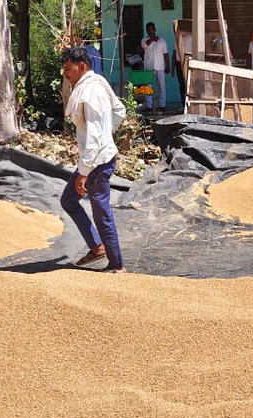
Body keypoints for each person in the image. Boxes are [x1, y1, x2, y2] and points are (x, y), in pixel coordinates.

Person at [59, 47, 127, 273]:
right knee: (69, 200)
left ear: (82, 67)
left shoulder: (90, 92)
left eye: (68, 69)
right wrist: (108, 132)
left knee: (101, 213)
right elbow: (119, 110)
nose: (66, 74)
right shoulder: (96, 83)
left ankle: (117, 264)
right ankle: (97, 247)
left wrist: (83, 173)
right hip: (95, 159)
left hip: (98, 162)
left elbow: (94, 137)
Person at [140, 22, 168, 111]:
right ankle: (149, 106)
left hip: (160, 67)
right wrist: (153, 39)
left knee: (162, 87)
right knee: (148, 87)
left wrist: (167, 65)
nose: (150, 31)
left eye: (152, 29)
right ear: (147, 31)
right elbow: (146, 45)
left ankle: (162, 105)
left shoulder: (162, 41)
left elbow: (165, 54)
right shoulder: (144, 40)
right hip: (149, 67)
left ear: (155, 29)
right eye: (148, 30)